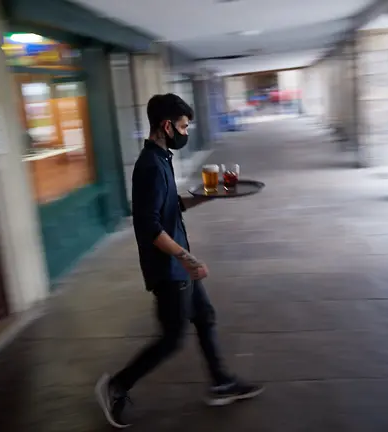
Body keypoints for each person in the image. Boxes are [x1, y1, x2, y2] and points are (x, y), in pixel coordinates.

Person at [95, 94, 263, 428]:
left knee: (204, 317)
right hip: (169, 269)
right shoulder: (149, 167)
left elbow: (171, 208)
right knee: (172, 338)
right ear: (167, 125)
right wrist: (188, 259)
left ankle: (221, 381)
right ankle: (117, 385)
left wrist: (207, 195)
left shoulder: (161, 158)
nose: (186, 133)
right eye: (184, 126)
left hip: (178, 264)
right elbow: (149, 227)